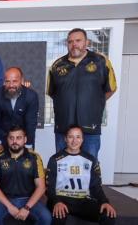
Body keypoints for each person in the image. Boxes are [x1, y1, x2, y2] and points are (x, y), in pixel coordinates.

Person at [46, 125, 116, 225]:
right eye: (71, 136)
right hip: (61, 199)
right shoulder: (55, 159)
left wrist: (105, 201)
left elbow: (96, 186)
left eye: (78, 137)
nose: (74, 140)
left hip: (82, 200)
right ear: (65, 139)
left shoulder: (90, 160)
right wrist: (56, 201)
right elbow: (49, 187)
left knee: (108, 215)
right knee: (58, 215)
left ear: (83, 139)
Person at [47, 28, 117, 159]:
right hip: (63, 127)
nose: (74, 44)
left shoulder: (101, 61)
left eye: (78, 40)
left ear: (87, 42)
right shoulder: (56, 65)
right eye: (70, 41)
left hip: (90, 125)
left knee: (90, 165)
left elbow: (111, 88)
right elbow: (52, 93)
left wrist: (95, 102)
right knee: (62, 166)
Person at [0, 67, 39, 152]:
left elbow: (31, 123)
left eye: (15, 81)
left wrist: (29, 145)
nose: (11, 85)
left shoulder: (31, 96)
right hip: (3, 136)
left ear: (22, 80)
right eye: (8, 81)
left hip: (23, 138)